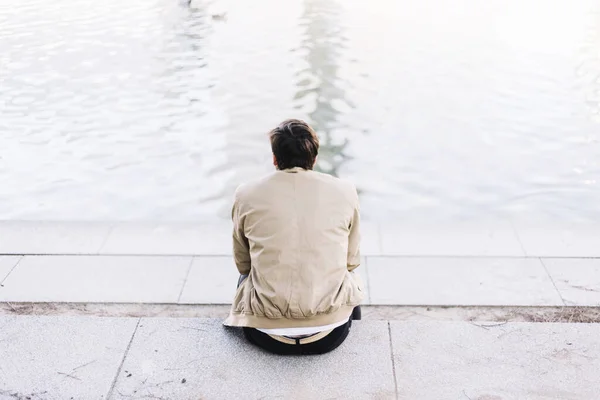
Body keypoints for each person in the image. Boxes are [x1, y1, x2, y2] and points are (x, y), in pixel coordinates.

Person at [224, 119, 364, 355]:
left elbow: (243, 263)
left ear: (275, 158)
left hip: (265, 334)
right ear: (314, 157)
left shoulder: (246, 193)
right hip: (330, 335)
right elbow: (351, 261)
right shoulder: (345, 191)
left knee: (248, 276)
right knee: (349, 277)